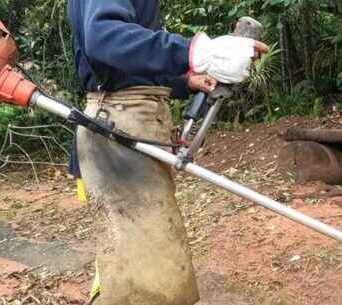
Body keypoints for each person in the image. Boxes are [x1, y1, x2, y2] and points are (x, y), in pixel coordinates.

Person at [66, 1, 268, 305]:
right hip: (120, 126)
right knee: (151, 281)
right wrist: (196, 53)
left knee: (130, 264)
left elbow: (127, 64)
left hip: (128, 122)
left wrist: (183, 79)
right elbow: (103, 36)